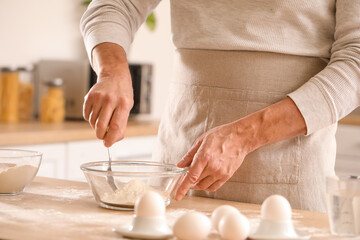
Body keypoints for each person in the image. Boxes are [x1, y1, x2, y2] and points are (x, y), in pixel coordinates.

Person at [80, 1, 360, 212]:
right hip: (178, 161)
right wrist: (112, 69)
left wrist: (245, 135)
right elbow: (115, 5)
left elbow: (356, 61)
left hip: (288, 173)